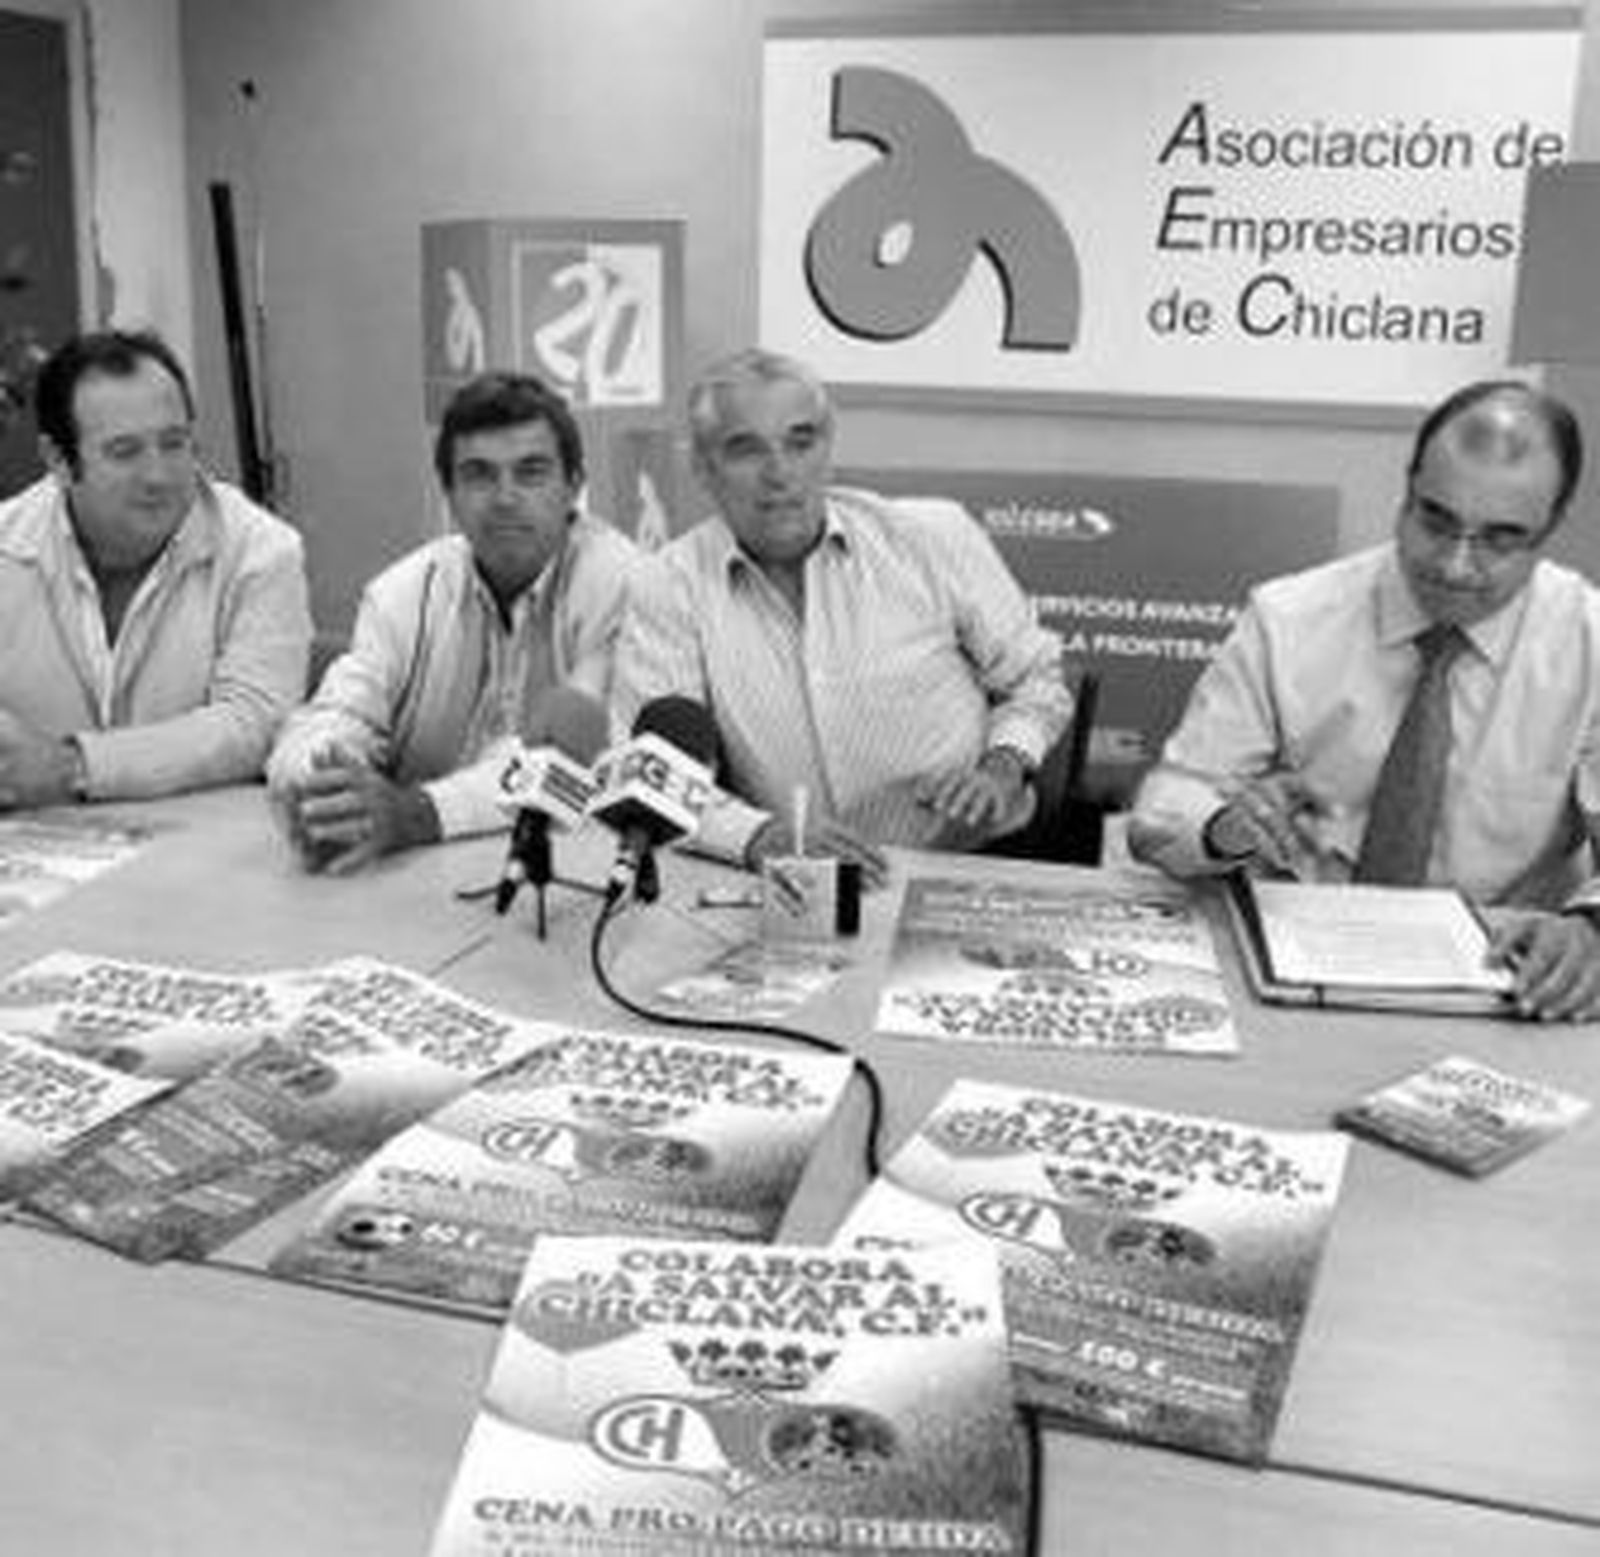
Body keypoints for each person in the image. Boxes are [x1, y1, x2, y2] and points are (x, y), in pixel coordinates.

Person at [1128, 379, 1600, 1021]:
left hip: (1508, 980)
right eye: (1436, 519)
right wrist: (1225, 827)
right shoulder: (1287, 619)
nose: (1456, 566)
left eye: (1500, 539)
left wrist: (1590, 928)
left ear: (1550, 529)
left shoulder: (1590, 645)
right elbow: (1164, 807)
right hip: (1297, 969)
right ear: (1406, 492)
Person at [612, 347, 1072, 880]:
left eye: (800, 442)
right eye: (745, 450)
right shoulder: (667, 586)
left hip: (973, 861)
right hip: (791, 878)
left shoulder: (931, 536)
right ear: (703, 468)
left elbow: (1037, 680)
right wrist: (756, 835)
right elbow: (653, 771)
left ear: (828, 447)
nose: (779, 473)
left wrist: (1003, 767)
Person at [267, 371, 636, 873]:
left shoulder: (628, 589)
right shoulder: (403, 592)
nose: (505, 498)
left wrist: (413, 814)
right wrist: (323, 785)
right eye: (480, 475)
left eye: (530, 472)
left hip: (564, 879)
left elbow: (571, 766)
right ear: (450, 494)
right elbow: (337, 713)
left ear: (573, 487)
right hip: (415, 877)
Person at [0, 328, 310, 806]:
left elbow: (254, 724)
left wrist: (75, 767)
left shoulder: (261, 550)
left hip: (202, 859)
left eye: (174, 443)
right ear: (58, 460)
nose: (159, 475)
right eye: (125, 452)